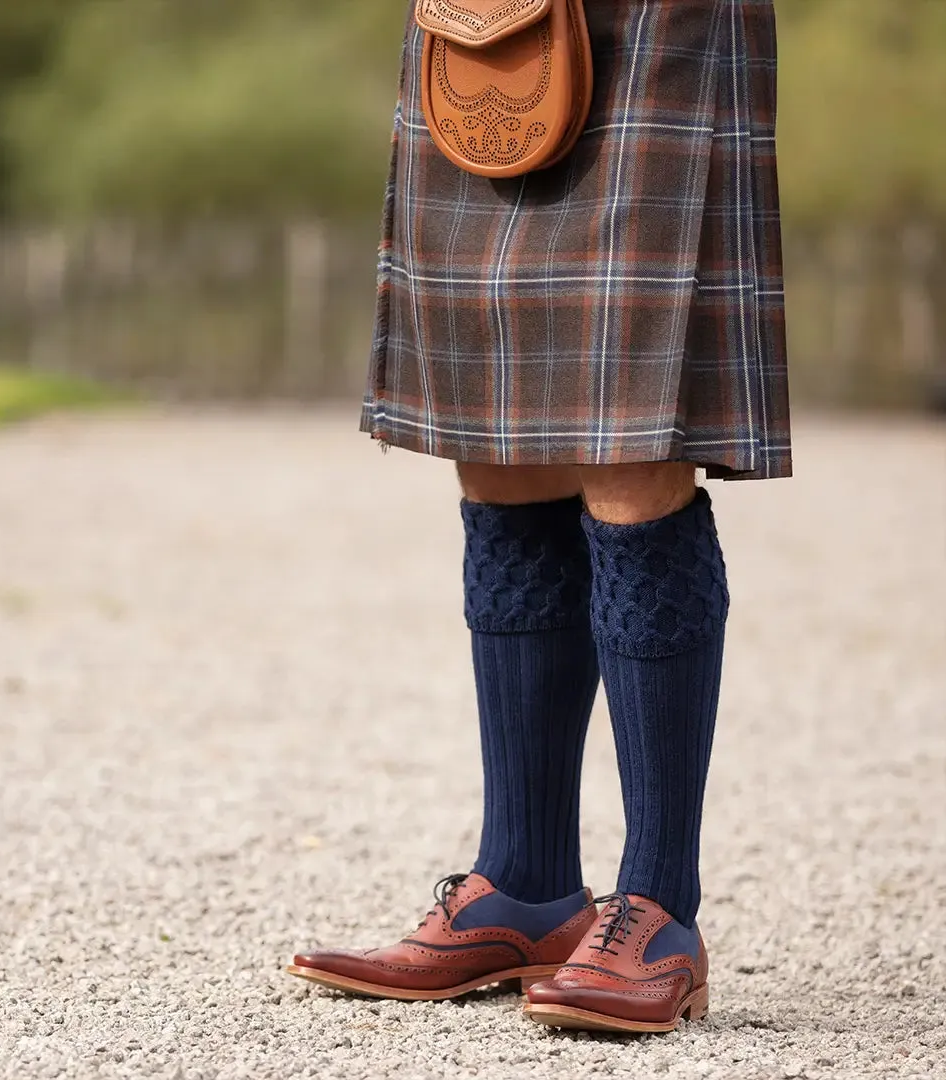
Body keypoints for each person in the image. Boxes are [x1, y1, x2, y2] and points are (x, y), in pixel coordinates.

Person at [289, 0, 790, 1034]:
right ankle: (523, 885)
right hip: (487, 18)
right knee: (494, 432)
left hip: (658, 26)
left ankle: (659, 911)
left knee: (631, 434)